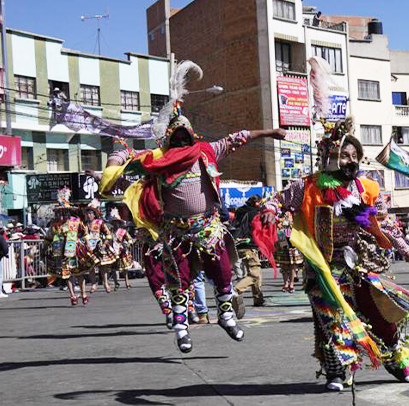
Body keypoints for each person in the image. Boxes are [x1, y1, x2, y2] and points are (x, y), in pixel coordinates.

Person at [262, 58, 409, 391]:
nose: (350, 160)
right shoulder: (308, 186)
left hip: (361, 263)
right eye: (344, 154)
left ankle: (395, 359)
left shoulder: (367, 187)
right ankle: (339, 371)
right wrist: (269, 211)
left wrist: (403, 246)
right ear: (330, 156)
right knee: (331, 319)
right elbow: (276, 200)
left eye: (354, 155)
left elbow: (384, 223)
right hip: (324, 267)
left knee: (379, 313)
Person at [100, 60, 286, 353]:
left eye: (185, 133)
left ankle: (226, 316)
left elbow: (237, 138)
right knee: (179, 280)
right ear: (169, 138)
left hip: (208, 227)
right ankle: (181, 328)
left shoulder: (205, 152)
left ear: (192, 135)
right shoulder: (158, 160)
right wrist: (114, 159)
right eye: (176, 134)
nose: (181, 137)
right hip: (176, 232)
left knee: (223, 272)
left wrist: (269, 132)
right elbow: (126, 158)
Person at [42, 188, 94, 305]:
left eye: (65, 212)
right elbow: (48, 237)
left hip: (75, 251)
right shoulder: (55, 225)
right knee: (67, 275)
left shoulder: (76, 221)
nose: (62, 215)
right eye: (60, 212)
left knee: (79, 274)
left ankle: (83, 293)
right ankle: (72, 295)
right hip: (61, 252)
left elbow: (85, 233)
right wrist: (44, 248)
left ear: (68, 212)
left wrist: (89, 245)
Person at [232, 195, 268, 307]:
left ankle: (258, 299)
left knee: (256, 272)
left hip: (239, 244)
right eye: (260, 203)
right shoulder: (254, 213)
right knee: (254, 274)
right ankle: (234, 291)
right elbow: (259, 229)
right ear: (256, 203)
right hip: (249, 245)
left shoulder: (240, 211)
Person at [274, 212, 304, 293]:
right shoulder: (279, 214)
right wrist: (279, 225)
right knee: (284, 266)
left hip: (292, 245)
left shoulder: (294, 215)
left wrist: (290, 223)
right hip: (282, 243)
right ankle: (285, 283)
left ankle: (291, 284)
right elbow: (277, 229)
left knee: (292, 266)